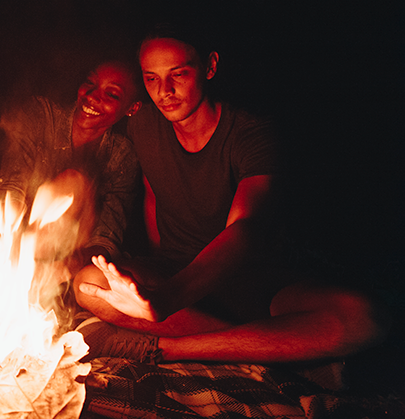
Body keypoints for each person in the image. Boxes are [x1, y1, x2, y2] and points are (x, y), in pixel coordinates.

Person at [74, 22, 389, 365]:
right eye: (151, 78)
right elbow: (129, 166)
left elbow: (245, 228)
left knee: (365, 319)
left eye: (178, 74)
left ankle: (170, 349)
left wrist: (168, 298)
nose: (164, 90)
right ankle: (263, 344)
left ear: (209, 67)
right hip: (175, 271)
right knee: (88, 283)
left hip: (254, 281)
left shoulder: (251, 133)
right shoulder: (143, 122)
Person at [0, 60, 142, 283]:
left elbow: (106, 238)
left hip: (60, 270)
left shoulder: (122, 156)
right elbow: (11, 182)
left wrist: (65, 268)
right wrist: (12, 244)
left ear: (132, 108)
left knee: (76, 182)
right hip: (1, 242)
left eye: (112, 94)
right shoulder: (41, 115)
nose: (93, 97)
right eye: (90, 83)